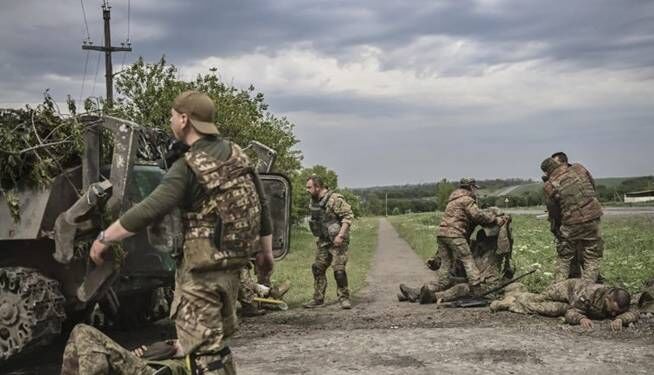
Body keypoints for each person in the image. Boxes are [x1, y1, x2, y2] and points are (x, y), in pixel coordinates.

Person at [88, 90, 269, 374]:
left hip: (202, 273)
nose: (171, 119)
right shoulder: (237, 154)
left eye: (173, 115)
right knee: (216, 344)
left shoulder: (189, 167)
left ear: (184, 119)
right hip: (230, 268)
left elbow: (149, 209)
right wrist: (266, 253)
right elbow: (262, 204)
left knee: (204, 354)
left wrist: (104, 239)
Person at [399, 214, 513, 304]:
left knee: (461, 288)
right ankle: (416, 293)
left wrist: (504, 225)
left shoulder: (496, 252)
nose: (481, 244)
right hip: (474, 283)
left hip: (487, 289)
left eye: (485, 242)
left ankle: (432, 297)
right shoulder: (474, 248)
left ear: (490, 242)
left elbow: (505, 246)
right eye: (481, 241)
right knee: (450, 280)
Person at [430, 178, 506, 293]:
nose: (475, 191)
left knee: (446, 262)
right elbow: (477, 215)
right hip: (455, 234)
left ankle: (438, 286)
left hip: (441, 234)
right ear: (471, 187)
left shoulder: (453, 200)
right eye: (475, 188)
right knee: (467, 258)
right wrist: (495, 219)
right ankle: (476, 287)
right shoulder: (467, 199)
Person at [541, 157, 603, 282]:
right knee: (591, 257)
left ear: (547, 172)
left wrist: (557, 227)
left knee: (564, 258)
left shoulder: (549, 185)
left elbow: (554, 212)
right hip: (593, 217)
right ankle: (588, 290)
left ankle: (558, 288)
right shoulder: (579, 168)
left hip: (571, 223)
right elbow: (592, 186)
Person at [490, 279, 639, 331]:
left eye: (616, 313)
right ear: (608, 299)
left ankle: (515, 300)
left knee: (554, 309)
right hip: (565, 290)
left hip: (570, 304)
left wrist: (621, 319)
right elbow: (571, 313)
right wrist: (580, 319)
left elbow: (634, 312)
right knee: (540, 302)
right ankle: (513, 298)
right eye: (612, 311)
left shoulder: (621, 299)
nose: (612, 315)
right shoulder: (589, 294)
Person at [303, 175, 354, 310]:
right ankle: (318, 298)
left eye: (309, 187)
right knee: (317, 267)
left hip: (338, 240)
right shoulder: (314, 201)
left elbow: (348, 217)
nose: (307, 190)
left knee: (339, 270)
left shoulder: (335, 199)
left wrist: (341, 236)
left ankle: (344, 298)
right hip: (324, 240)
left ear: (318, 187)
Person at [61, 324, 188, 375]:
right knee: (75, 345)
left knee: (82, 331)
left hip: (156, 371)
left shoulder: (196, 345)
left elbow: (173, 348)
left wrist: (145, 353)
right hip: (146, 367)